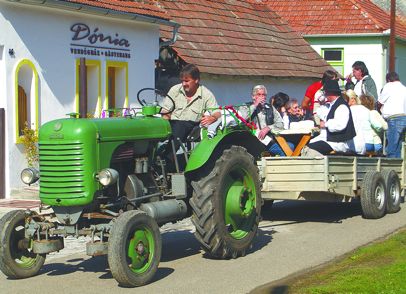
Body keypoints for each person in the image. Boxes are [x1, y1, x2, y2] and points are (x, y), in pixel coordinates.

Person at [161, 64, 221, 168]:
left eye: (187, 81)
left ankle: (166, 160)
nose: (184, 84)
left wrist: (212, 118)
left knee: (181, 126)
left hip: (191, 126)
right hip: (173, 123)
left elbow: (217, 112)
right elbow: (166, 111)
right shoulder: (175, 90)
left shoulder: (206, 94)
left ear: (196, 80)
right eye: (182, 81)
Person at [306, 79, 356, 155]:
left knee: (310, 149)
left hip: (339, 143)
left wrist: (326, 124)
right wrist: (322, 104)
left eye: (325, 92)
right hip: (331, 140)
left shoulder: (342, 106)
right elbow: (321, 113)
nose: (324, 95)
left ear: (330, 93)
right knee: (307, 145)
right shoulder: (332, 104)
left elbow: (340, 125)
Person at [243, 85, 293, 156]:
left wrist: (269, 128)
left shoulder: (271, 108)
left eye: (263, 95)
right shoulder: (246, 106)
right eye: (259, 94)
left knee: (289, 146)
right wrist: (255, 105)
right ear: (253, 96)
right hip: (252, 142)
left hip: (269, 142)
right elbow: (242, 118)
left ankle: (280, 167)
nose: (261, 97)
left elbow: (281, 124)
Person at [378, 71, 406, 158]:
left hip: (394, 118)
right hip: (404, 117)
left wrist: (380, 109)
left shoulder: (389, 86)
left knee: (392, 146)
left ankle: (391, 166)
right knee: (398, 145)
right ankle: (399, 167)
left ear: (389, 80)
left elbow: (380, 102)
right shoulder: (404, 88)